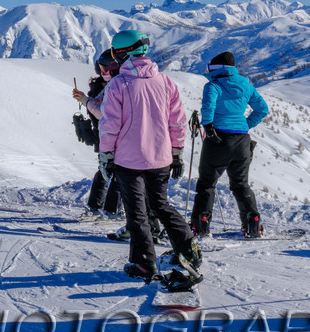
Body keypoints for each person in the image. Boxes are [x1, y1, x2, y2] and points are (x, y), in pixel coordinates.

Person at [98, 29, 202, 289]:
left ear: (121, 53)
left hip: (128, 161)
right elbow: (176, 121)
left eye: (113, 52)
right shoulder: (165, 81)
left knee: (137, 213)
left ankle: (145, 263)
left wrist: (106, 154)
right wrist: (177, 152)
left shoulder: (119, 84)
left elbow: (110, 124)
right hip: (161, 158)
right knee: (160, 205)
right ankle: (189, 250)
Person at [190, 51, 270, 238]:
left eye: (210, 67)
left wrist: (208, 127)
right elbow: (262, 109)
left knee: (207, 184)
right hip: (242, 141)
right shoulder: (246, 84)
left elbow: (208, 107)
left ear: (217, 69)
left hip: (217, 138)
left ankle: (200, 225)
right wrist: (244, 126)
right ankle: (253, 224)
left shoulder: (213, 85)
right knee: (240, 184)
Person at [73, 50, 125, 221]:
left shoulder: (112, 86)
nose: (103, 72)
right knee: (112, 172)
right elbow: (100, 112)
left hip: (108, 136)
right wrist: (84, 100)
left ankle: (101, 207)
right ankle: (106, 209)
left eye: (106, 68)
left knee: (109, 172)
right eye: (101, 68)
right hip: (109, 136)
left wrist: (84, 100)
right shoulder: (108, 86)